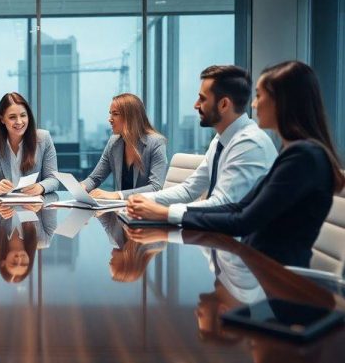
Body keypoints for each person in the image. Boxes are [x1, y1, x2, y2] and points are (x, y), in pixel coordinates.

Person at [128, 61, 345, 267]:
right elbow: (239, 207)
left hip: (276, 280)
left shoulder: (299, 156)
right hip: (256, 267)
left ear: (282, 102)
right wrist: (147, 205)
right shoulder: (294, 153)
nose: (253, 103)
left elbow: (243, 220)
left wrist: (164, 213)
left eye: (260, 96)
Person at [125, 65, 278, 224]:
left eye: (202, 98)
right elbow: (189, 189)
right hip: (217, 237)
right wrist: (140, 199)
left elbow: (223, 205)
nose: (196, 105)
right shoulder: (220, 140)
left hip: (242, 244)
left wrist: (165, 213)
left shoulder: (249, 144)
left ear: (224, 104)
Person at [80, 93, 168, 200]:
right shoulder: (114, 142)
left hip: (144, 210)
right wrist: (82, 187)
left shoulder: (156, 143)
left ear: (131, 117)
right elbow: (95, 178)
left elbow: (155, 188)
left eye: (115, 114)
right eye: (110, 114)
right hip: (121, 209)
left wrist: (118, 195)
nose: (110, 119)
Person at [0, 92, 58, 195]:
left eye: (23, 115)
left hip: (32, 206)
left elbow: (53, 179)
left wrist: (41, 187)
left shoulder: (44, 138)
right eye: (12, 117)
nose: (19, 121)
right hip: (2, 207)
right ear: (2, 119)